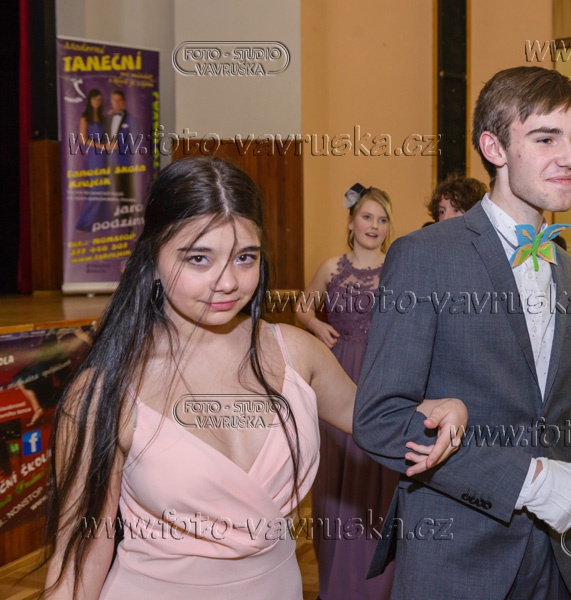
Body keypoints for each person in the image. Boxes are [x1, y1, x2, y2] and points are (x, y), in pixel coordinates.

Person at [42, 157, 467, 599]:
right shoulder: (103, 392)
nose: (227, 282)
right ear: (152, 258)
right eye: (199, 258)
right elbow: (80, 559)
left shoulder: (296, 353)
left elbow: (378, 418)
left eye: (245, 257)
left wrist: (446, 407)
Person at [353, 66, 571, 600]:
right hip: (457, 555)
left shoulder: (570, 273)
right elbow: (381, 419)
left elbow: (570, 428)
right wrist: (526, 481)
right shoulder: (426, 255)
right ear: (494, 147)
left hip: (552, 560)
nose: (570, 157)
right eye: (545, 138)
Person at [296, 183, 398, 599]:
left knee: (376, 472)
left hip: (379, 378)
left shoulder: (397, 268)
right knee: (334, 477)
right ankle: (335, 579)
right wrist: (316, 325)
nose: (374, 225)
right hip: (334, 375)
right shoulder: (330, 267)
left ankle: (376, 582)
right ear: (351, 221)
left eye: (382, 219)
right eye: (367, 216)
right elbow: (303, 307)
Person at [75, 89, 114, 232]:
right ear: (90, 100)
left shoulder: (103, 117)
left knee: (105, 187)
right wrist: (101, 146)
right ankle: (85, 223)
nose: (97, 102)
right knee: (97, 188)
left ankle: (101, 221)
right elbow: (82, 139)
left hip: (105, 155)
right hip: (94, 155)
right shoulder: (85, 116)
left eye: (99, 100)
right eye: (94, 99)